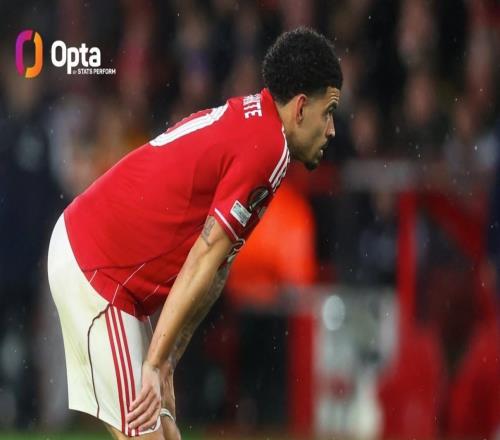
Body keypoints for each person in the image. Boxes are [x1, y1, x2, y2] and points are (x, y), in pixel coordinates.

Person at [47, 27, 342, 439]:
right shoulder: (268, 151)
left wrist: (166, 360)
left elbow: (217, 268)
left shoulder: (258, 129)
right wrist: (153, 363)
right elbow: (204, 255)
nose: (331, 129)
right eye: (328, 112)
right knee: (146, 433)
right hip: (97, 267)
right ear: (301, 107)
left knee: (166, 432)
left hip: (111, 272)